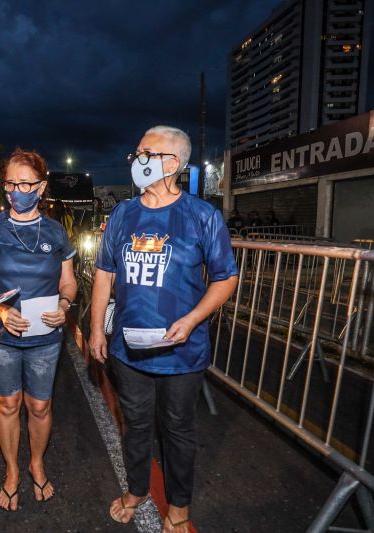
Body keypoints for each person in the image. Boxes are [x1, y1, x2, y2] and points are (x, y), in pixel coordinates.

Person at [88, 126, 238, 532]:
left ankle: (180, 505)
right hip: (128, 349)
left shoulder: (203, 216)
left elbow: (225, 278)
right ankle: (137, 490)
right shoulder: (123, 214)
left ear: (171, 164)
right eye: (136, 153)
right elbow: (104, 273)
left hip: (181, 352)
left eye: (145, 153)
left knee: (178, 429)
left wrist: (192, 320)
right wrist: (97, 329)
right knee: (135, 424)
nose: (136, 160)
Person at [0, 148, 78, 511]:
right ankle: (11, 471)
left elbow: (69, 282)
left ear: (41, 187)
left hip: (45, 336)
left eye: (25, 183)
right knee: (7, 403)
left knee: (39, 406)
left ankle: (36, 464)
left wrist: (64, 305)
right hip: (0, 335)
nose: (16, 190)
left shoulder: (57, 231)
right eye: (10, 183)